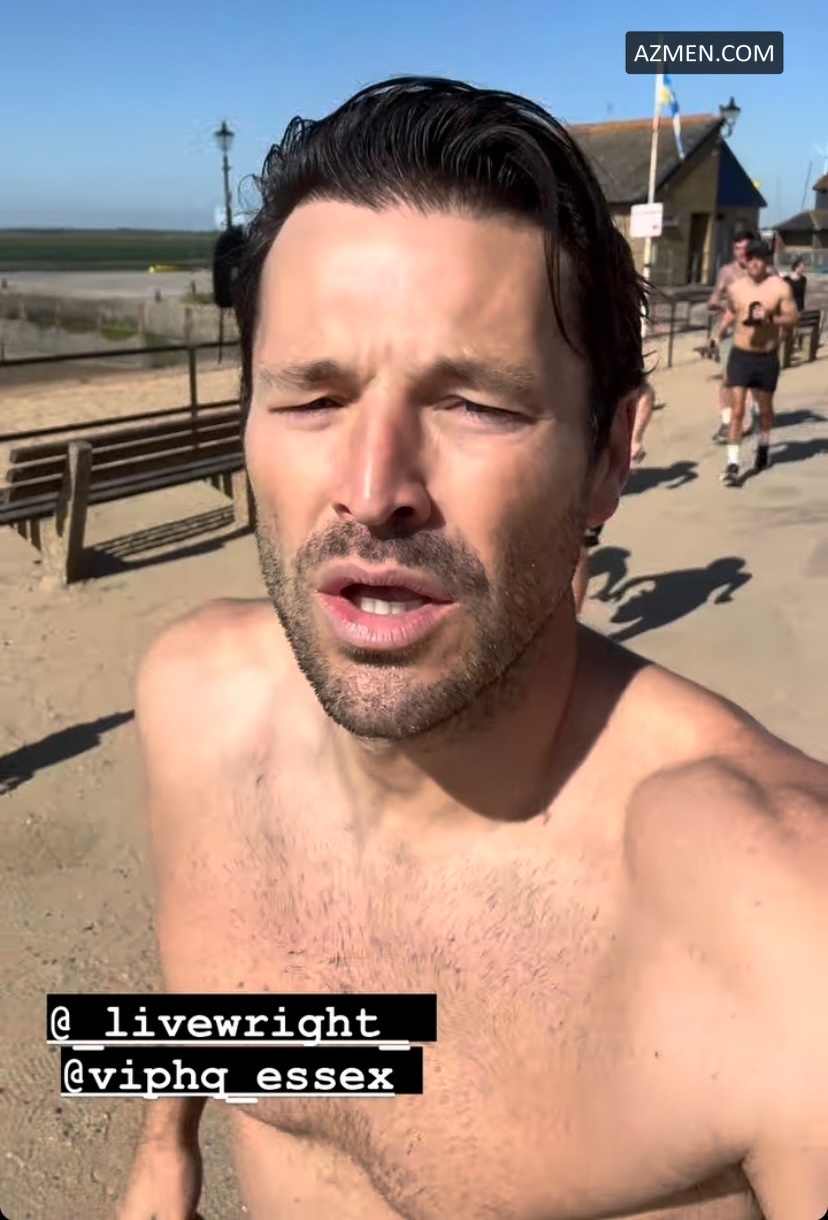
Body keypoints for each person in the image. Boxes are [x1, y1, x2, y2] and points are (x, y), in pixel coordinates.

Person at [118, 78, 827, 1220]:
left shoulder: (781, 920)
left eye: (475, 406)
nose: (372, 489)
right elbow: (211, 966)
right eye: (312, 398)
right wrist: (165, 1144)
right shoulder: (191, 702)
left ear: (611, 456)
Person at [713, 238, 799, 486]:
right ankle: (732, 464)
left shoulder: (779, 287)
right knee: (738, 410)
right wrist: (718, 334)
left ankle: (763, 446)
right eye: (750, 258)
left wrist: (771, 319)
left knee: (765, 410)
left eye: (759, 259)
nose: (754, 263)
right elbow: (732, 311)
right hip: (741, 355)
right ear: (745, 261)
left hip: (766, 358)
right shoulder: (737, 288)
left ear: (766, 261)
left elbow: (793, 318)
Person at [572, 378, 654, 613]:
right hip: (548, 466)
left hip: (591, 472)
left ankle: (571, 622)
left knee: (576, 552)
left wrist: (635, 438)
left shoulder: (607, 364)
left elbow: (645, 392)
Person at [707, 231, 760, 443]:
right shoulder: (727, 272)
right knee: (728, 378)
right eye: (737, 249)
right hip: (731, 332)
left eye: (745, 248)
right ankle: (727, 421)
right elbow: (714, 299)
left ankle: (753, 415)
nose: (741, 253)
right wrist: (723, 304)